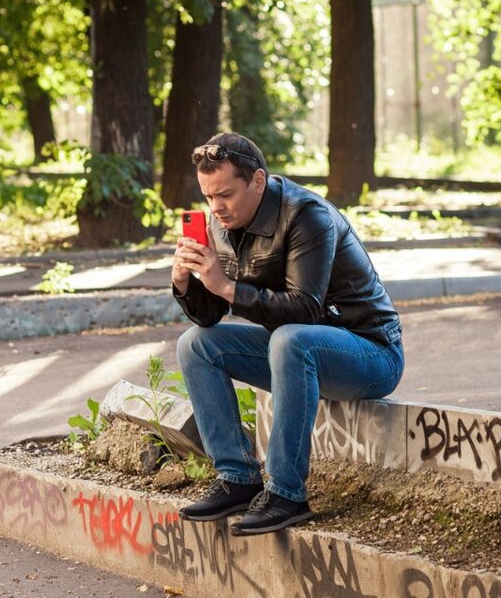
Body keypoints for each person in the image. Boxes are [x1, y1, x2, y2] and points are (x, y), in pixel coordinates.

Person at [171, 132, 403, 534]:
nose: (216, 208)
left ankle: (286, 493)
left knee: (290, 338)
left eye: (225, 194)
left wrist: (227, 286)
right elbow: (209, 318)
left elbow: (305, 309)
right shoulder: (223, 224)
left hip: (369, 354)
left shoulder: (305, 215)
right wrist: (185, 282)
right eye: (208, 197)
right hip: (297, 356)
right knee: (196, 345)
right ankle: (238, 479)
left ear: (257, 181)